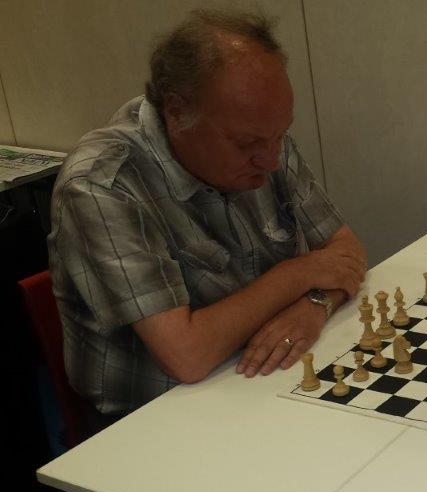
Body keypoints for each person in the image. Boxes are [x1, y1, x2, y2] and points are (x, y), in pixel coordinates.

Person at [49, 9, 366, 423]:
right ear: (177, 113)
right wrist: (299, 273)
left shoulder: (261, 133)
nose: (271, 160)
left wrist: (315, 304)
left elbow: (346, 252)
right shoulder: (101, 185)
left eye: (280, 135)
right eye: (247, 144)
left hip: (256, 379)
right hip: (152, 420)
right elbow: (187, 356)